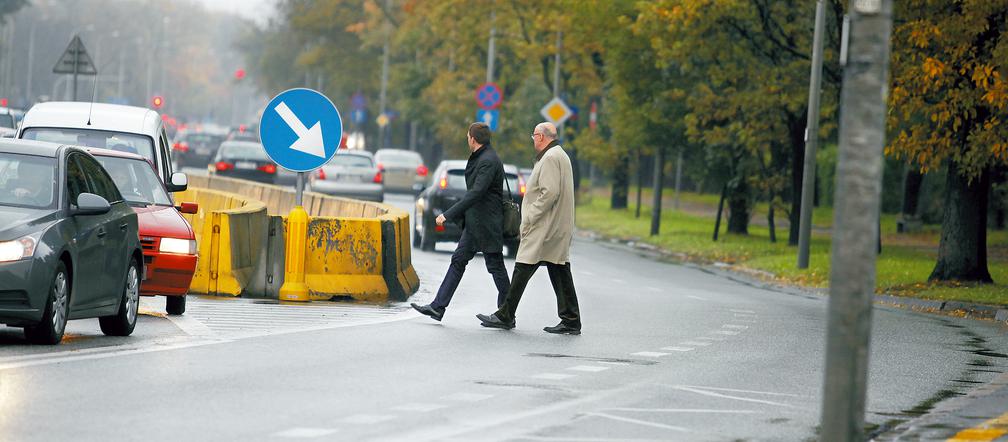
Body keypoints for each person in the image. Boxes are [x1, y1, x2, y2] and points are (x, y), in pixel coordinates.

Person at [477, 122, 581, 335]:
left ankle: (505, 315)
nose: (533, 139)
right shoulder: (560, 155)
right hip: (554, 226)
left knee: (523, 266)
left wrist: (530, 218)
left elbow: (549, 193)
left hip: (545, 226)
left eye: (533, 135)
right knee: (559, 269)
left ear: (542, 137)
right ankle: (571, 319)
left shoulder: (551, 158)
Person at [411, 122, 511, 321]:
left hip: (487, 223)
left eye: (468, 136)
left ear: (473, 139)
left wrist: (447, 214)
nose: (467, 139)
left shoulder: (488, 160)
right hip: (476, 224)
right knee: (458, 261)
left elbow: (476, 193)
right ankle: (438, 307)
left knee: (495, 265)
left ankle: (507, 314)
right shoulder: (482, 157)